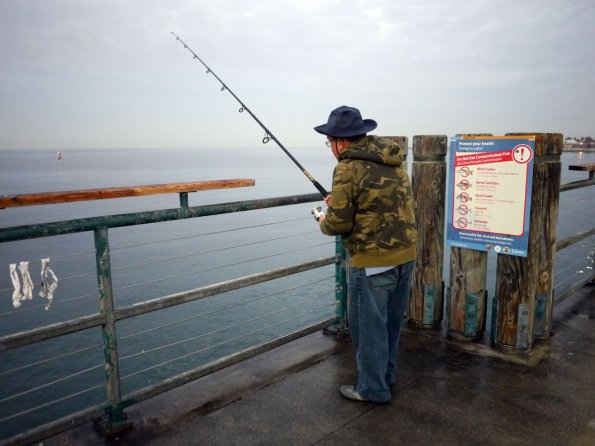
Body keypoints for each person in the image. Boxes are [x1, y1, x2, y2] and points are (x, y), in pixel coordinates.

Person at [313, 105, 417, 404]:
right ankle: (384, 378)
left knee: (369, 330)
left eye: (329, 142)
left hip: (373, 261)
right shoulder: (392, 159)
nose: (330, 148)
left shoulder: (346, 167)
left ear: (340, 142)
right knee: (390, 326)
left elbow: (339, 224)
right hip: (405, 254)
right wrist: (343, 201)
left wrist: (324, 219)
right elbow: (378, 201)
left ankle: (372, 390)